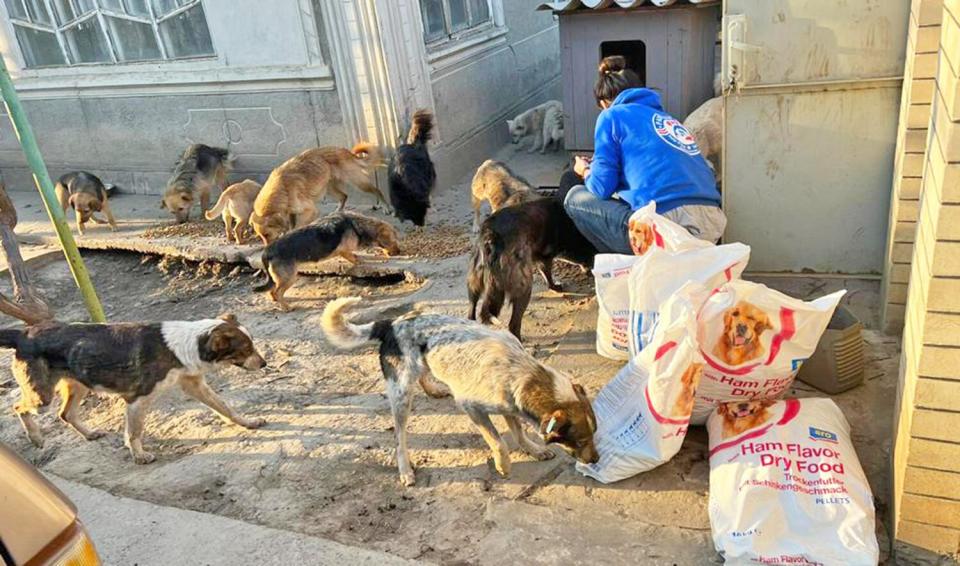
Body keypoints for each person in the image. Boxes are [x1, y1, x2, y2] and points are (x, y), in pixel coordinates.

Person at [560, 56, 726, 254]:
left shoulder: (611, 115)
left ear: (605, 103)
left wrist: (586, 170)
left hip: (667, 225)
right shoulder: (667, 119)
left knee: (575, 198)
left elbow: (601, 187)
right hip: (712, 222)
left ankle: (624, 268)